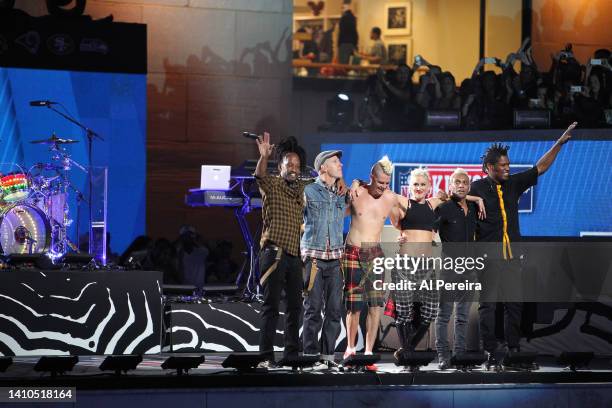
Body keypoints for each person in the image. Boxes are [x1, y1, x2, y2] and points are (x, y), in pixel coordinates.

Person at [469, 122, 577, 369]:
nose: (507, 168)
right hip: (488, 256)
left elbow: (540, 167)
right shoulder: (476, 188)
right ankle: (490, 351)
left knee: (514, 303)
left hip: (512, 255)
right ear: (489, 168)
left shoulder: (513, 184)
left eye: (508, 164)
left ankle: (513, 349)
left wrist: (558, 144)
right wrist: (473, 198)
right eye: (502, 166)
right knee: (488, 305)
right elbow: (453, 195)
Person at [391, 169, 483, 362]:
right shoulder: (433, 206)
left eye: (422, 184)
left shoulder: (436, 203)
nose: (419, 188)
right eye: (415, 184)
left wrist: (477, 199)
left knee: (432, 312)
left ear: (429, 186)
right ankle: (419, 354)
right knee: (409, 313)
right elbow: (385, 197)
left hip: (432, 266)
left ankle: (408, 350)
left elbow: (459, 195)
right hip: (411, 264)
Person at [254, 132, 310, 367]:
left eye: (297, 165)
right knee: (271, 306)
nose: (294, 168)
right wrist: (264, 157)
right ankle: (266, 356)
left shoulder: (302, 187)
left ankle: (291, 354)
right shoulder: (273, 183)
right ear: (281, 166)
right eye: (290, 164)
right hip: (274, 254)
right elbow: (259, 175)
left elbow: (323, 183)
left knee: (295, 307)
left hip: (295, 255)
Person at [343, 156, 402, 370]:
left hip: (375, 254)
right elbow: (337, 214)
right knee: (354, 305)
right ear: (371, 178)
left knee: (375, 305)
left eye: (387, 183)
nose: (383, 187)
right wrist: (355, 184)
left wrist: (403, 235)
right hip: (352, 251)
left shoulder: (390, 198)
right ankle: (350, 349)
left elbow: (401, 221)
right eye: (380, 183)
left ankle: (368, 353)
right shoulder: (357, 193)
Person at [301, 150, 348, 370]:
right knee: (313, 309)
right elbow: (296, 215)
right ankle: (310, 356)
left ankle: (327, 356)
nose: (340, 164)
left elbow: (361, 186)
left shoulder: (342, 192)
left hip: (336, 259)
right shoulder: (308, 190)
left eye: (339, 161)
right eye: (335, 162)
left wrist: (350, 182)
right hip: (314, 259)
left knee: (334, 310)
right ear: (323, 167)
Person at [433, 168, 479, 370]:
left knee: (462, 317)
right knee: (444, 315)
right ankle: (443, 356)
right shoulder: (443, 208)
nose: (461, 185)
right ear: (450, 185)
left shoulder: (473, 208)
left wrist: (476, 199)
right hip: (449, 269)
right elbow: (427, 229)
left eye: (465, 182)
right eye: (457, 182)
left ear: (469, 186)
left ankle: (460, 356)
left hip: (469, 270)